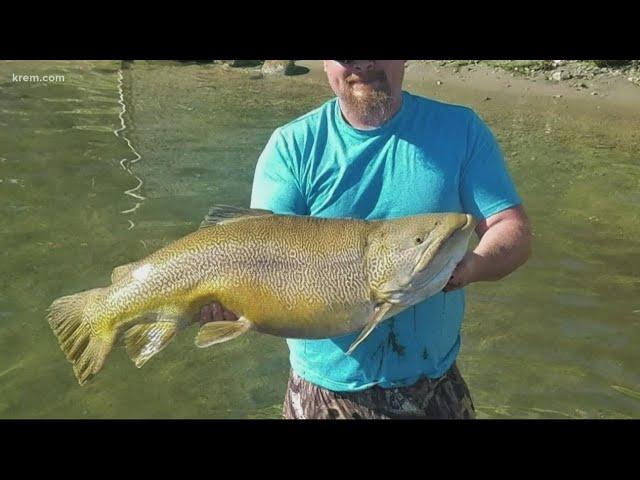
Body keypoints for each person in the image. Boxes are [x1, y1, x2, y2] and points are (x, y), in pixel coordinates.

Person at [200, 60, 532, 419]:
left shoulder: (461, 129)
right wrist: (232, 304)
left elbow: (510, 228)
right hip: (322, 393)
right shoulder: (292, 146)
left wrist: (468, 268)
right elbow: (258, 254)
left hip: (435, 386)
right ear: (326, 64)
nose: (363, 64)